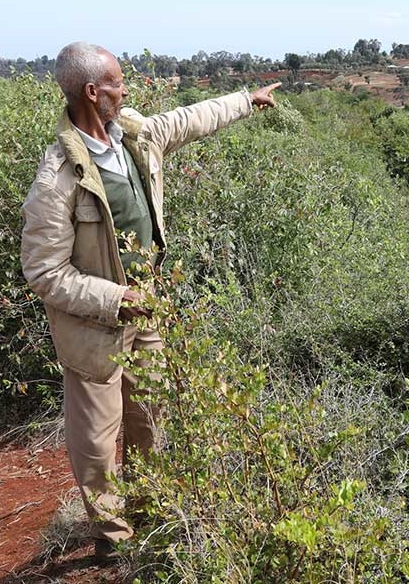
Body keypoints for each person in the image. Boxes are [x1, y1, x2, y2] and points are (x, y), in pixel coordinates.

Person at [19, 41, 279, 558]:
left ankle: (151, 510)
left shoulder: (133, 136)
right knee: (96, 443)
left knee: (151, 416)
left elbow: (188, 119)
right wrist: (117, 299)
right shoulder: (58, 179)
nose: (124, 88)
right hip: (96, 330)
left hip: (150, 312)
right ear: (93, 92)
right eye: (116, 82)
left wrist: (246, 100)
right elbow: (45, 272)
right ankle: (112, 539)